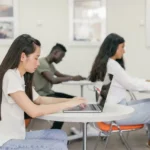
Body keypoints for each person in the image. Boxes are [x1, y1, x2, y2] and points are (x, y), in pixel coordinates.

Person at [0, 34, 86, 150]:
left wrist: (71, 100)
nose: (38, 63)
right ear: (23, 57)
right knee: (58, 147)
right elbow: (34, 111)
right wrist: (67, 105)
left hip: (19, 135)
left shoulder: (21, 77)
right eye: (36, 58)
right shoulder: (11, 76)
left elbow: (40, 99)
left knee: (60, 134)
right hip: (7, 141)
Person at [89, 33, 150, 146]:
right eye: (122, 47)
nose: (124, 51)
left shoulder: (105, 63)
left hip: (111, 108)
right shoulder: (112, 65)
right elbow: (131, 84)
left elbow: (128, 80)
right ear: (113, 47)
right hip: (115, 113)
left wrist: (145, 82)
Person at [33, 43, 85, 129]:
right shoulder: (42, 62)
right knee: (71, 103)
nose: (61, 59)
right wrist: (72, 78)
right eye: (61, 56)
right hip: (43, 95)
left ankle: (55, 130)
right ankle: (55, 131)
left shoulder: (50, 64)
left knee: (76, 99)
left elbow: (60, 75)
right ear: (55, 52)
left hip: (49, 93)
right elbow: (53, 80)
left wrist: (76, 77)